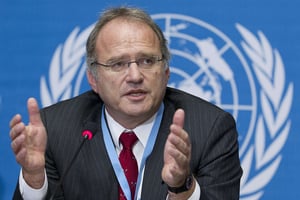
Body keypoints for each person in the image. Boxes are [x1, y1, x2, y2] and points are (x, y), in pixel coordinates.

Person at [9, 6, 242, 200]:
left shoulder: (211, 127)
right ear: (93, 79)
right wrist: (34, 178)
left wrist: (182, 187)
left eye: (147, 61)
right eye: (117, 64)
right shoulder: (56, 128)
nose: (134, 76)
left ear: (166, 71)